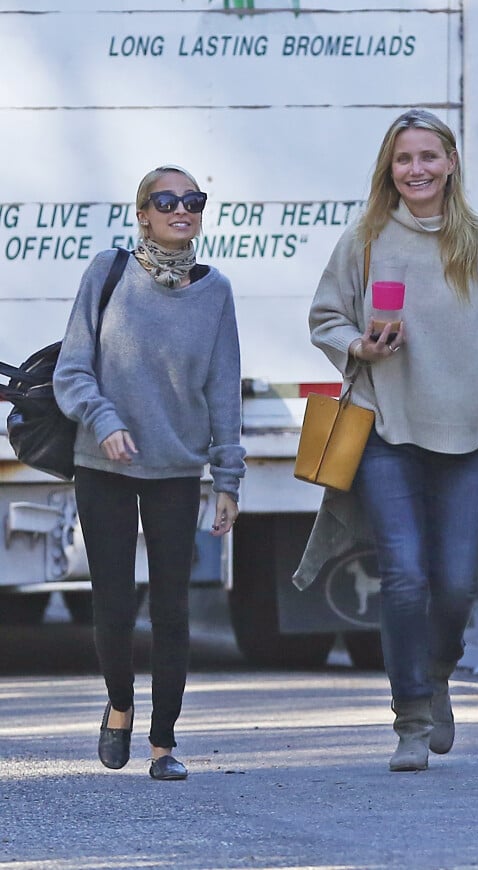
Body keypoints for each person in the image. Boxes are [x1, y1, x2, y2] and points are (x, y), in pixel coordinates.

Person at [295, 110, 478, 772]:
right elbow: (325, 316)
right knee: (403, 576)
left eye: (428, 156)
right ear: (390, 168)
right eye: (404, 159)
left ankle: (437, 674)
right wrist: (358, 343)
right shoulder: (366, 241)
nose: (417, 169)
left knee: (457, 583)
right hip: (384, 428)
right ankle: (410, 718)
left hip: (466, 441)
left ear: (451, 162)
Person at [54, 165, 245, 780]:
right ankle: (118, 704)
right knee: (112, 603)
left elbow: (223, 393)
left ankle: (163, 744)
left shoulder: (215, 292)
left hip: (175, 470)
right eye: (166, 201)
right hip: (102, 464)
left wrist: (228, 479)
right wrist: (103, 420)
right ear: (143, 213)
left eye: (193, 200)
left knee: (172, 610)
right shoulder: (108, 273)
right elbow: (72, 370)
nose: (180, 209)